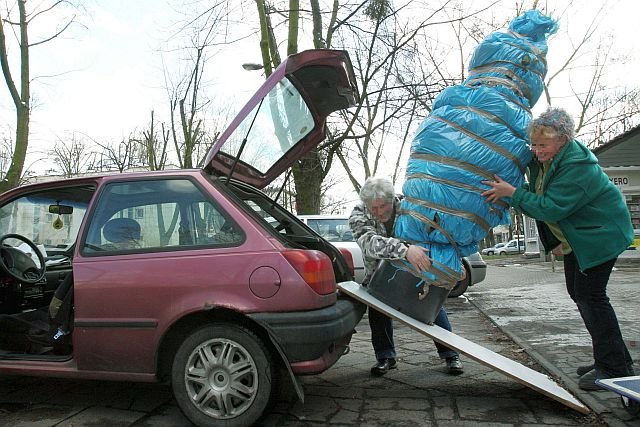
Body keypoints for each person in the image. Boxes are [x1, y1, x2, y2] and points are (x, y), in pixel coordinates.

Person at [482, 107, 635, 391]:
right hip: (580, 237)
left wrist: (513, 194)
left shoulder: (576, 167)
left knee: (591, 297)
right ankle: (612, 357)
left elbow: (551, 206)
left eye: (543, 145)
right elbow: (538, 187)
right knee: (579, 293)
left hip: (600, 236)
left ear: (562, 140)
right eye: (534, 144)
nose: (537, 151)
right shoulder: (548, 161)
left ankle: (613, 368)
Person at [349, 176, 464, 376]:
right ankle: (385, 357)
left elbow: (438, 236)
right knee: (377, 308)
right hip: (378, 273)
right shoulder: (359, 213)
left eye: (382, 206)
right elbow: (368, 243)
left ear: (392, 200)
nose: (378, 212)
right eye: (372, 208)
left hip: (414, 271)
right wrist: (406, 251)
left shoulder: (411, 206)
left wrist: (455, 264)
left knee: (431, 307)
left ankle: (450, 354)